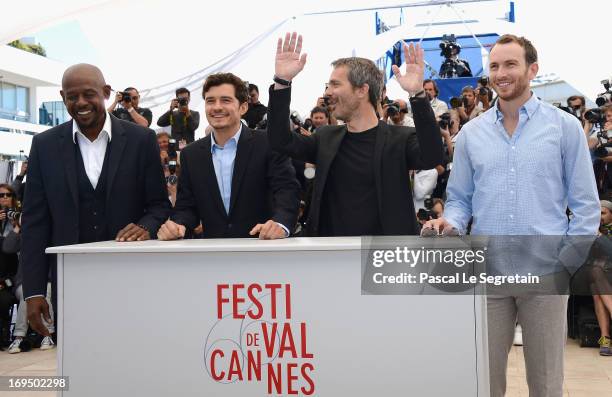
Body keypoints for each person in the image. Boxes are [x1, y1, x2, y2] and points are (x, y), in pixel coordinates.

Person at [425, 34, 600, 397]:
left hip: (546, 274)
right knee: (483, 380)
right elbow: (459, 199)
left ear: (532, 69)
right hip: (488, 272)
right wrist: (450, 222)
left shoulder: (564, 127)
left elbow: (586, 206)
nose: (500, 73)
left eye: (510, 64)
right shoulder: (472, 134)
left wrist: (565, 262)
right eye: (493, 66)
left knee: (547, 382)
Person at [21, 64, 171, 338]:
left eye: (88, 94)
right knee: (80, 368)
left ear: (105, 92)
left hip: (132, 278)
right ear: (62, 96)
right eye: (71, 96)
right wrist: (33, 291)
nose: (80, 103)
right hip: (71, 285)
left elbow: (160, 205)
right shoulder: (44, 145)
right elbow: (35, 223)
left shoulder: (142, 140)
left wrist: (145, 226)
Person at [266, 32, 443, 237]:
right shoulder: (325, 138)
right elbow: (280, 141)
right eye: (328, 85)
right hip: (330, 256)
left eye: (335, 84)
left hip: (383, 259)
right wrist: (282, 82)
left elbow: (432, 156)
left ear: (362, 90)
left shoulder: (400, 139)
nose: (327, 92)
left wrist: (417, 94)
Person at [157, 72, 300, 240]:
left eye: (226, 100)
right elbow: (187, 207)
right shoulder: (191, 154)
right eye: (210, 101)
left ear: (243, 107)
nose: (217, 107)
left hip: (262, 251)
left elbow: (286, 190)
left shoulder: (268, 144)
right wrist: (178, 225)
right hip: (213, 255)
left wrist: (280, 223)